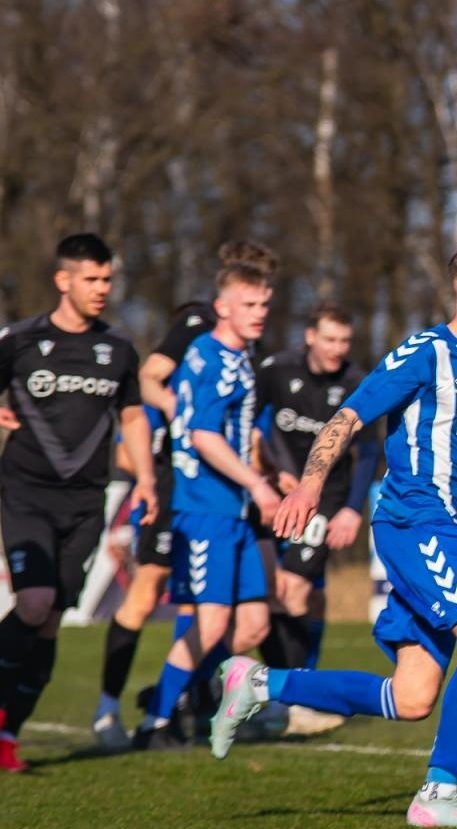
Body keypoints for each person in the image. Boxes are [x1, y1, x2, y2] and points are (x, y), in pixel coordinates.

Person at [211, 234, 457, 829]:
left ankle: (259, 680)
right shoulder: (424, 352)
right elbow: (347, 418)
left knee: (412, 697)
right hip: (413, 521)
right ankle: (438, 794)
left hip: (451, 531)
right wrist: (311, 486)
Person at [96, 241, 278, 747]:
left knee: (252, 627)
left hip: (235, 512)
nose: (259, 314)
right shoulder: (207, 354)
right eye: (249, 305)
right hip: (204, 510)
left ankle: (175, 694)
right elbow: (201, 434)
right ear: (222, 306)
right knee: (208, 618)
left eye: (264, 305)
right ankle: (157, 719)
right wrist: (258, 483)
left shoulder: (242, 358)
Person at [0, 234, 156, 771]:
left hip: (87, 502)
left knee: (49, 621)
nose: (102, 289)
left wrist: (149, 481)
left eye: (107, 279)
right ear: (62, 280)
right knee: (35, 601)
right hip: (25, 493)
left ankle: (10, 734)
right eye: (91, 279)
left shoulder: (118, 348)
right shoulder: (19, 340)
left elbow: (132, 416)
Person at [253, 304, 378, 735]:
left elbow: (368, 453)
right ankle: (284, 693)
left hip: (327, 500)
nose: (337, 349)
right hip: (275, 496)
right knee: (279, 597)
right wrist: (266, 472)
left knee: (293, 591)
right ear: (310, 336)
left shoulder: (355, 383)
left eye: (344, 341)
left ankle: (290, 697)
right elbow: (248, 424)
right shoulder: (275, 370)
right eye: (329, 339)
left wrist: (350, 509)